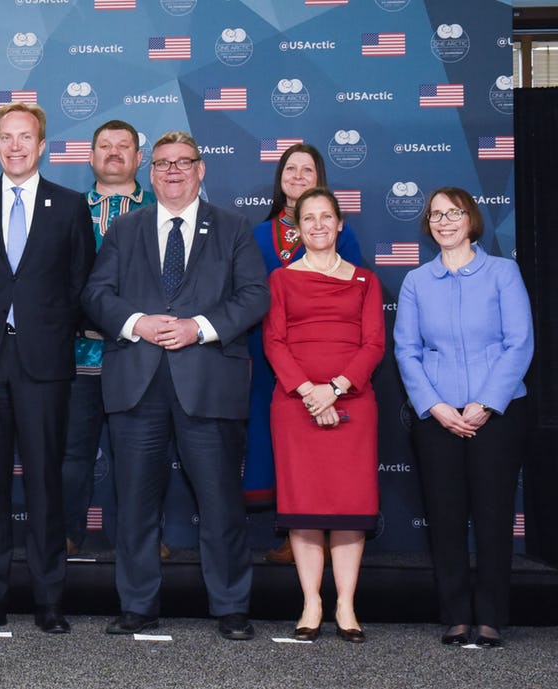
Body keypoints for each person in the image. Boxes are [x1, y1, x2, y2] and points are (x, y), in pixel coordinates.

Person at [81, 130, 269, 640]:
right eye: (162, 164)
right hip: (137, 384)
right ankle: (137, 606)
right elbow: (96, 294)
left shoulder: (232, 228)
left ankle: (231, 606)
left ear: (201, 169)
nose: (172, 172)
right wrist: (138, 322)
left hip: (208, 382)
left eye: (184, 162)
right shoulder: (125, 228)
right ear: (150, 170)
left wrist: (198, 328)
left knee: (220, 503)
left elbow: (254, 297)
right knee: (135, 504)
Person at [0, 103, 95, 634]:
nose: (15, 146)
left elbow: (81, 283)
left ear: (42, 145)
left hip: (44, 363)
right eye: (6, 138)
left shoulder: (70, 205)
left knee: (43, 484)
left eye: (25, 137)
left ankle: (49, 598)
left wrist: (48, 327)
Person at [394, 188, 534, 648]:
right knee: (446, 517)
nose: (445, 221)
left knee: (493, 517)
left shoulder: (502, 272)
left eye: (453, 212)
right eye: (436, 214)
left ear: (471, 218)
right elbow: (407, 351)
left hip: (497, 414)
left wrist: (486, 403)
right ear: (428, 224)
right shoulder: (417, 281)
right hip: (436, 417)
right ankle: (455, 615)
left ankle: (490, 616)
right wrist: (435, 407)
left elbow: (520, 343)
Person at [262, 188, 384, 643]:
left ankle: (346, 605)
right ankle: (311, 602)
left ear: (339, 225)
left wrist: (334, 390)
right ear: (297, 228)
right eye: (307, 218)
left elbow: (373, 344)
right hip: (296, 405)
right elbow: (275, 342)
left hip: (353, 402)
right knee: (305, 507)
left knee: (350, 509)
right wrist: (311, 393)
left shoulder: (366, 282)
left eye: (325, 217)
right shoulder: (279, 280)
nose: (316, 225)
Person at [248, 144, 363, 565]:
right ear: (279, 177)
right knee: (281, 440)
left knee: (324, 444)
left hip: (325, 361)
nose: (297, 175)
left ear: (320, 179)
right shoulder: (257, 234)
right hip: (268, 356)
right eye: (290, 168)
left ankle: (327, 536)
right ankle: (294, 535)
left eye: (307, 169)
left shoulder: (340, 233)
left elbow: (354, 295)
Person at [64, 119, 156, 557]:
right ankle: (64, 534)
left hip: (142, 355)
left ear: (140, 158)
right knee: (71, 454)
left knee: (139, 458)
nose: (114, 153)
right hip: (77, 352)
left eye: (124, 146)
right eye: (105, 146)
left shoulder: (162, 208)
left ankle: (139, 541)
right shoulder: (67, 209)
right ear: (91, 156)